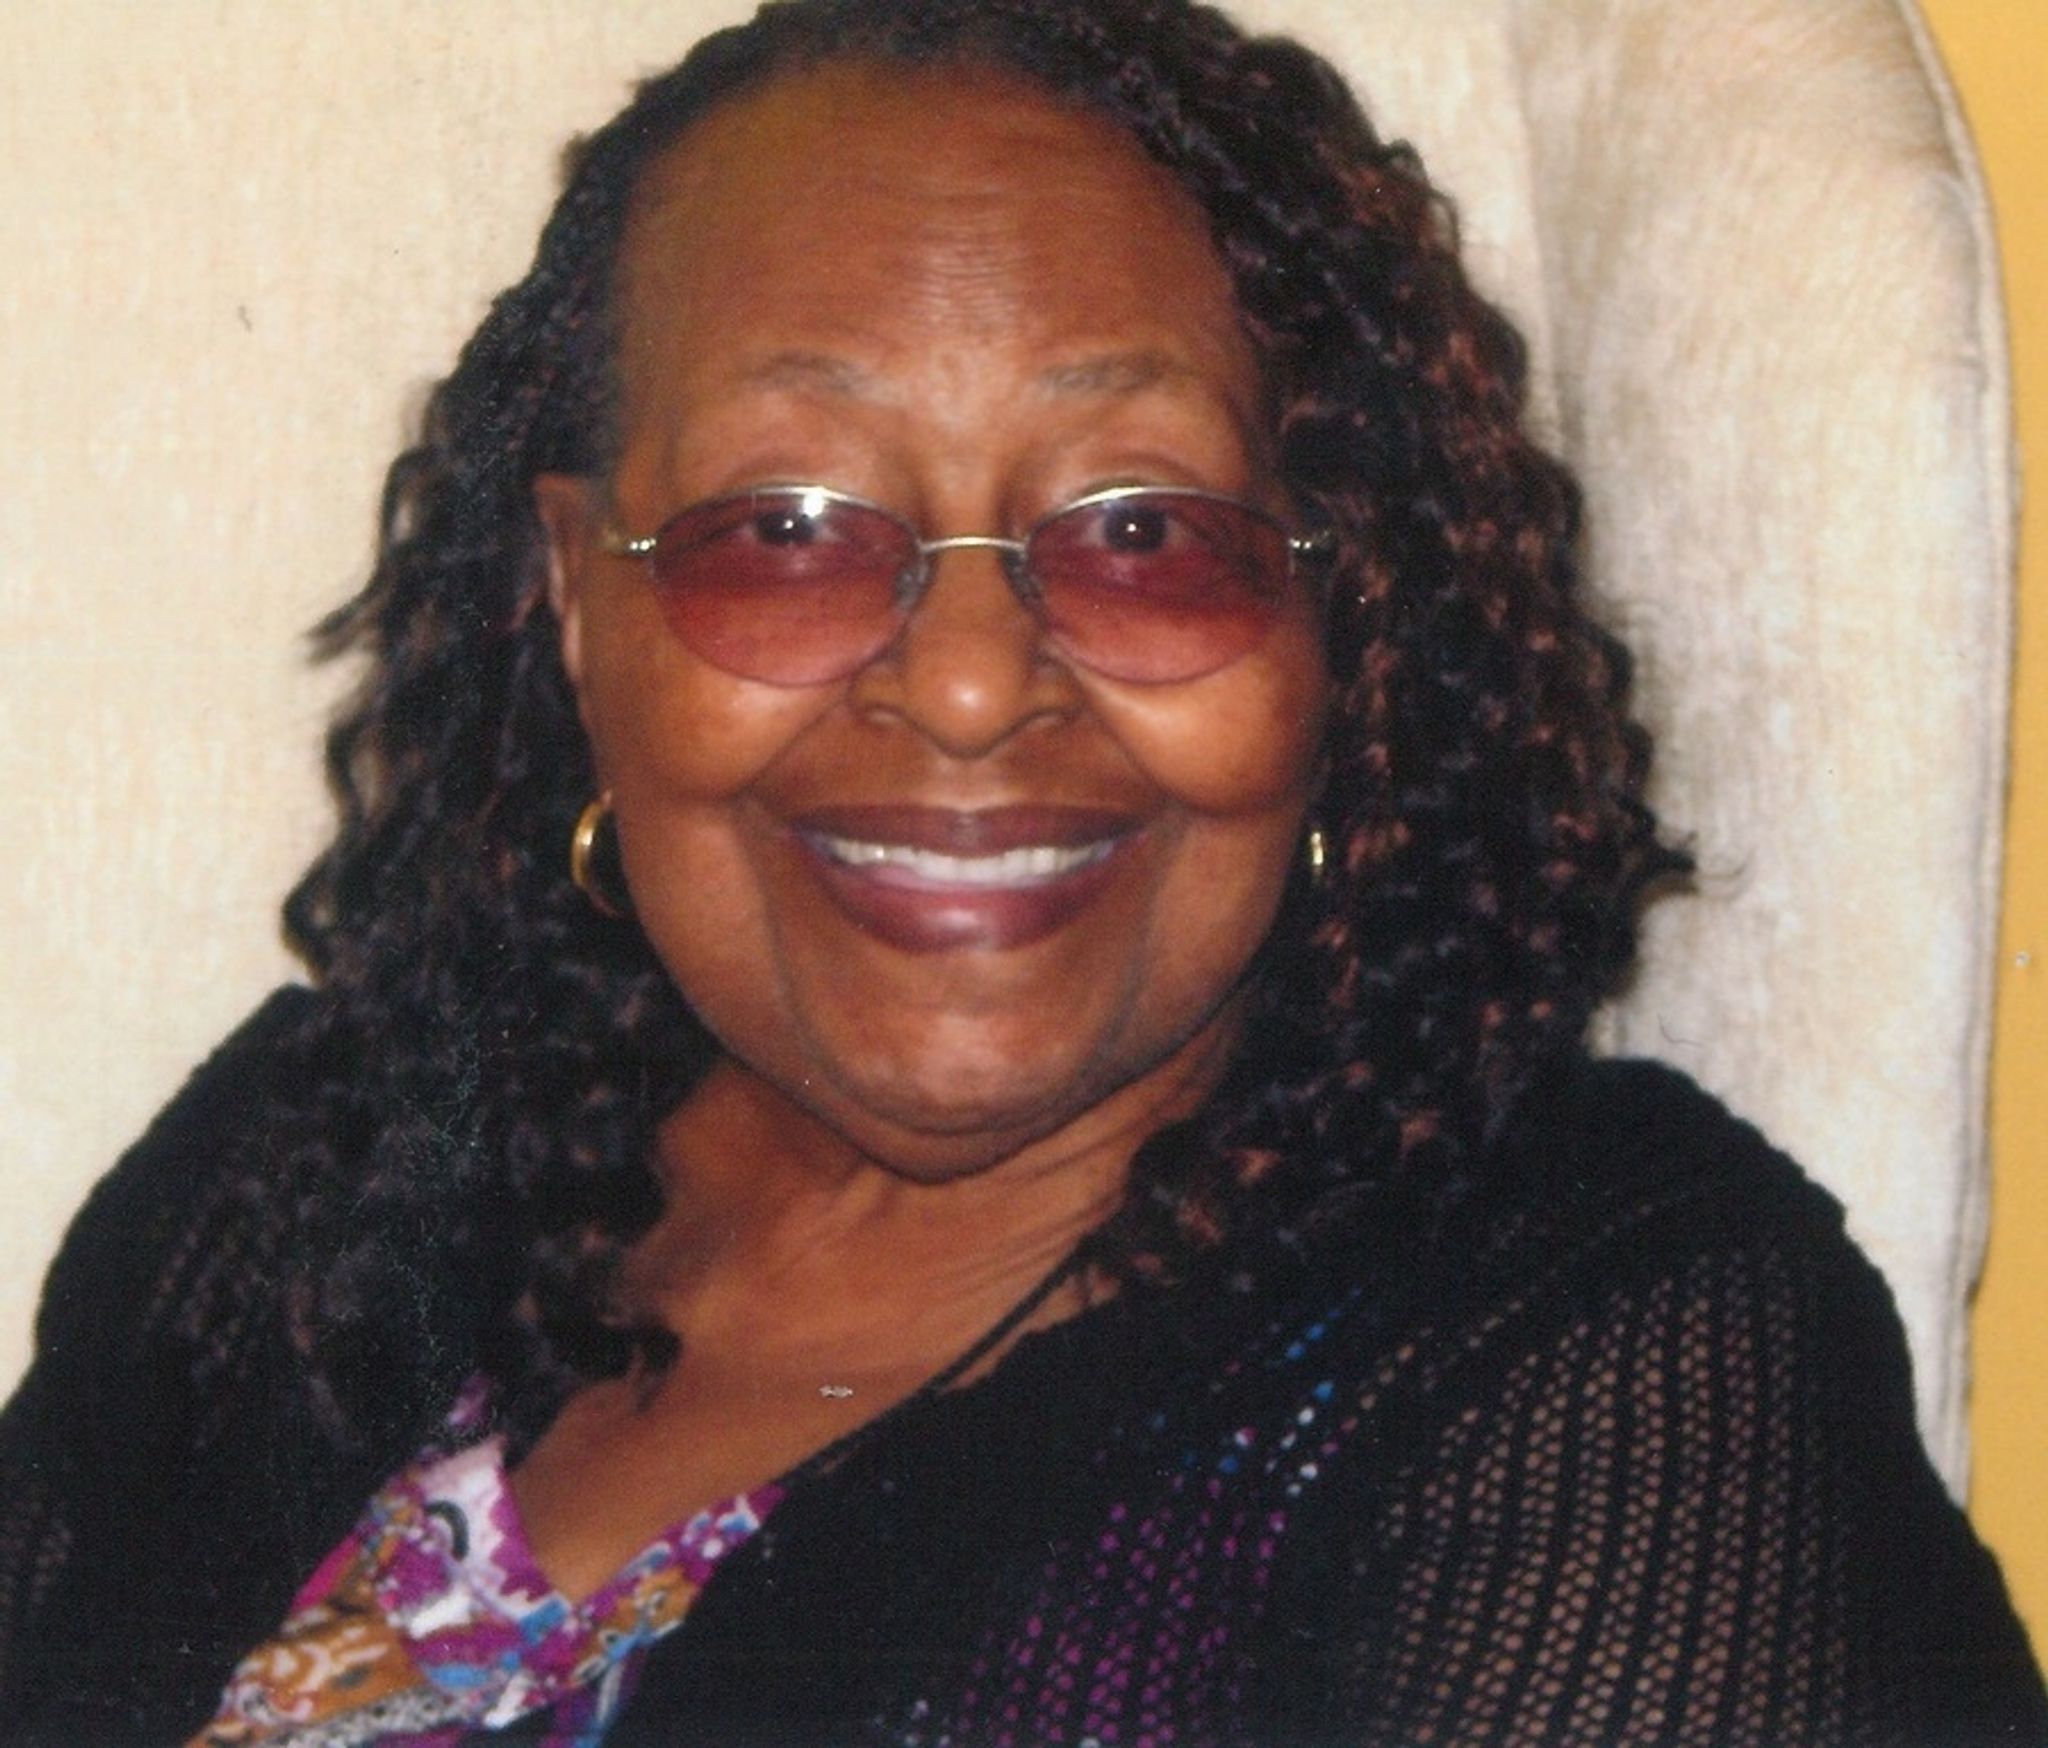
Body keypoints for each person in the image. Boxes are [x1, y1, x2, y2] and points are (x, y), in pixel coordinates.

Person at [0, 0, 2040, 1741]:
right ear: (573, 602)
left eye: (1145, 531)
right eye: (785, 528)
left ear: (1335, 629)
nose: (972, 685)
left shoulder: (1610, 1351)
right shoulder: (315, 1180)